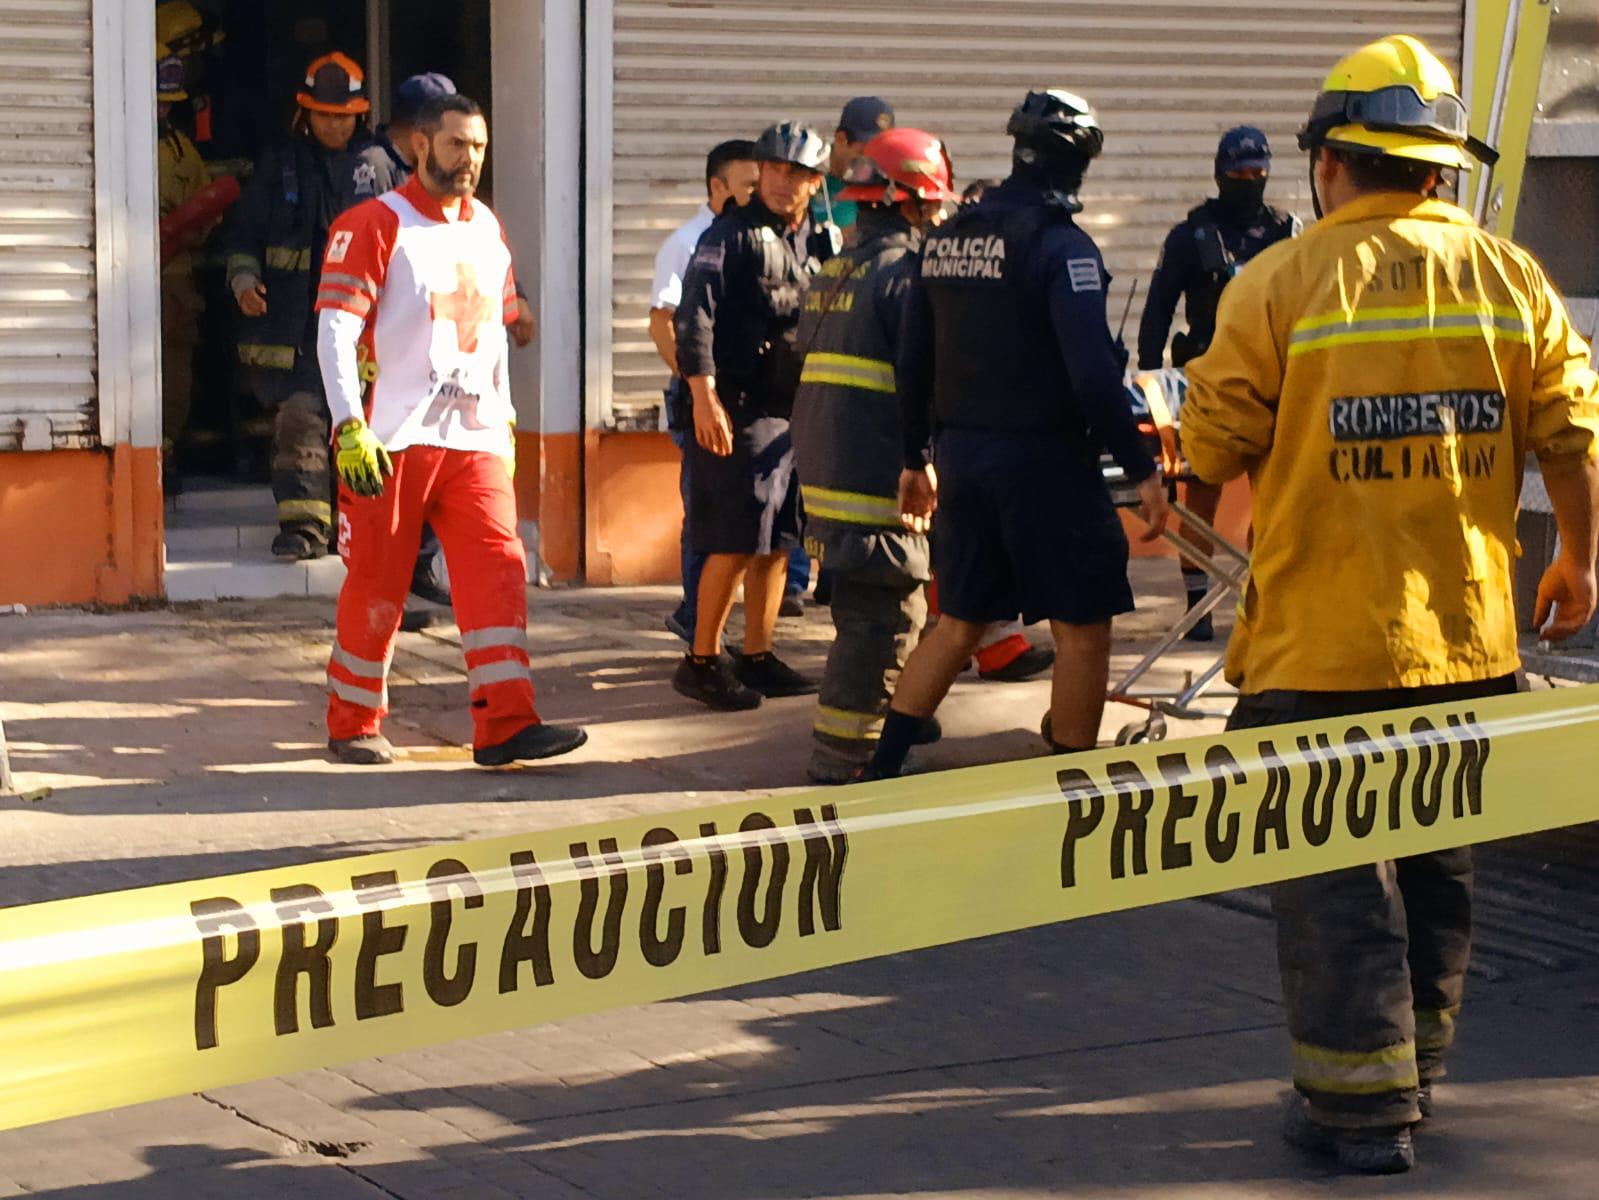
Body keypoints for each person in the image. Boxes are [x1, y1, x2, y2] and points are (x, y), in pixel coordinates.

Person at [1181, 34, 1599, 1174]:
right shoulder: (1513, 279)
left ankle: (1359, 1112)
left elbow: (1213, 438)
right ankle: (1417, 1074)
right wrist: (1581, 562)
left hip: (1320, 647)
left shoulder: (1277, 280)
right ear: (1434, 168)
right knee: (1436, 865)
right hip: (1464, 643)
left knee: (1331, 877)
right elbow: (1575, 431)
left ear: (1328, 162)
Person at [863, 89, 1169, 781]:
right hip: (1046, 462)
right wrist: (1139, 466)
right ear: (1082, 161)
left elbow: (911, 359)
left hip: (963, 458)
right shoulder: (1061, 247)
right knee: (1082, 626)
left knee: (959, 620)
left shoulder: (945, 240)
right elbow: (1092, 375)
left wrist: (916, 457)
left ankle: (879, 772)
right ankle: (1069, 785)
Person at [315, 93, 587, 767]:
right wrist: (349, 423)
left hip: (475, 438)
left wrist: (506, 419)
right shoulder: (374, 223)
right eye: (457, 145)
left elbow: (491, 332)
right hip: (390, 438)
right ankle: (352, 721)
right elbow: (335, 329)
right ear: (419, 146)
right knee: (377, 583)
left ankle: (506, 724)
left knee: (498, 570)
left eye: (479, 148)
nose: (470, 160)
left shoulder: (487, 229)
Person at [790, 127, 957, 782]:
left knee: (872, 613)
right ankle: (843, 757)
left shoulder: (835, 270)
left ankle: (883, 732)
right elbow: (921, 379)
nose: (937, 216)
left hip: (832, 475)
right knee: (882, 621)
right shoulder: (905, 276)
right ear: (909, 200)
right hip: (879, 479)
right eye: (931, 203)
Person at [672, 121, 833, 710]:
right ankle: (701, 659)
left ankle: (758, 654)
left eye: (798, 174)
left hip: (791, 407)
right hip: (736, 407)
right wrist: (703, 396)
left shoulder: (818, 239)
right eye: (775, 169)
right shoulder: (731, 235)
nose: (783, 182)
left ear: (816, 184)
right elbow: (693, 317)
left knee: (780, 538)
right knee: (735, 537)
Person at [226, 52, 401, 560]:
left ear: (359, 115)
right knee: (301, 420)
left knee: (369, 424)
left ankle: (363, 528)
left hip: (366, 329)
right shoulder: (278, 166)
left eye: (343, 115)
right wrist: (243, 278)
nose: (334, 124)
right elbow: (244, 234)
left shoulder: (382, 170)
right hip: (299, 326)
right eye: (324, 114)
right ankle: (304, 530)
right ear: (305, 113)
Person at [1138, 126, 1300, 640]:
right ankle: (1197, 608)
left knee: (1275, 500)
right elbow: (1158, 309)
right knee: (1201, 496)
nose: (1249, 181)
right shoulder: (1192, 235)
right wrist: (1150, 379)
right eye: (1239, 173)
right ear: (1220, 173)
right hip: (1209, 385)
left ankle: (1267, 601)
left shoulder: (1288, 232)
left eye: (1258, 173)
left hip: (1279, 384)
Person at [648, 139, 760, 643]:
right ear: (718, 186)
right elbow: (662, 324)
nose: (763, 194)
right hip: (701, 399)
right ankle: (696, 621)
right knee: (706, 512)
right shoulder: (689, 240)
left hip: (744, 403)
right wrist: (696, 384)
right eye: (750, 185)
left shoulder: (755, 236)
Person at [156, 51, 212, 469]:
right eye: (156, 99)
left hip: (175, 275)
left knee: (175, 360)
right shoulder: (107, 137)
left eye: (168, 102)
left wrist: (193, 230)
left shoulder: (180, 150)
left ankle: (167, 449)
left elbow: (207, 201)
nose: (162, 109)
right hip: (122, 270)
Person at [812, 96, 895, 235]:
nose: (874, 162)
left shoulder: (888, 188)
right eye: (866, 151)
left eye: (882, 151)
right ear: (841, 140)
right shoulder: (807, 176)